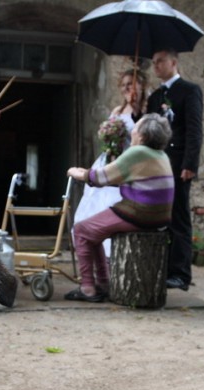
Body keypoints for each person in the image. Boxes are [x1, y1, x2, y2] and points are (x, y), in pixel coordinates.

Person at [64, 114, 174, 302]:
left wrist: (76, 172)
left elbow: (100, 178)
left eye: (136, 128)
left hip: (139, 213)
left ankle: (88, 288)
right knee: (93, 232)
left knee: (81, 230)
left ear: (143, 136)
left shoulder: (137, 153)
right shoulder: (160, 155)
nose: (133, 131)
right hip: (158, 216)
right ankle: (104, 283)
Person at [73, 68, 148, 256]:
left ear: (141, 85)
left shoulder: (146, 110)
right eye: (123, 85)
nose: (127, 88)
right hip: (109, 159)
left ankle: (114, 251)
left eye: (131, 84)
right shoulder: (118, 110)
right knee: (98, 202)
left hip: (128, 162)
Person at [146, 49, 203, 292]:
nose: (156, 65)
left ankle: (181, 274)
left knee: (179, 218)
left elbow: (194, 129)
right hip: (157, 164)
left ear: (174, 62)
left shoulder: (189, 91)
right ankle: (163, 267)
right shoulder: (155, 96)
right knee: (159, 218)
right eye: (154, 61)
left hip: (178, 165)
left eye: (160, 61)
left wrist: (190, 164)